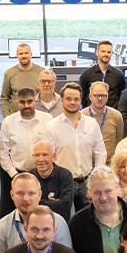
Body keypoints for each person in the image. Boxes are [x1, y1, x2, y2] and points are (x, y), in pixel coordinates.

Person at [0, 173, 73, 253]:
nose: (26, 198)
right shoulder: (2, 227)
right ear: (12, 195)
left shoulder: (58, 222)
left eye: (31, 193)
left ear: (39, 194)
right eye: (20, 193)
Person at [48, 82, 106, 212]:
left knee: (88, 217)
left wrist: (95, 178)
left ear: (81, 100)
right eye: (68, 99)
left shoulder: (91, 124)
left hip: (86, 181)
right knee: (62, 218)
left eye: (76, 99)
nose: (73, 102)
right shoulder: (51, 126)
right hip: (62, 183)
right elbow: (49, 158)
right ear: (61, 100)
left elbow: (100, 152)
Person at [0, 86, 52, 218]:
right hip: (18, 173)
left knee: (43, 215)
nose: (26, 105)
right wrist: (15, 175)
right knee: (21, 214)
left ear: (35, 101)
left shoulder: (47, 119)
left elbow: (53, 147)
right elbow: (3, 155)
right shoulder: (8, 122)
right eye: (22, 102)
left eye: (29, 101)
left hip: (43, 175)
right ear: (17, 102)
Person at [29, 138, 76, 220]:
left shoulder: (65, 175)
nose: (40, 159)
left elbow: (65, 206)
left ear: (54, 157)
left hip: (59, 223)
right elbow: (25, 205)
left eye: (45, 155)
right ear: (33, 157)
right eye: (37, 155)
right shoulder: (29, 177)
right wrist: (54, 203)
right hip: (34, 223)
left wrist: (36, 202)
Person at [0, 43, 45, 117]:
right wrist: (7, 117)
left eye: (26, 53)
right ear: (17, 56)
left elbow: (48, 95)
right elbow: (4, 98)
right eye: (21, 53)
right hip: (16, 117)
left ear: (31, 54)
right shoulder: (9, 73)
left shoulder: (41, 72)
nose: (24, 56)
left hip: (38, 117)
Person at [79, 39, 125, 108]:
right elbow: (83, 97)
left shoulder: (119, 75)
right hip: (92, 113)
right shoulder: (86, 75)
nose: (106, 54)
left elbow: (121, 97)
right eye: (103, 51)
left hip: (112, 113)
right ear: (97, 52)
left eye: (109, 52)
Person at [88, 80, 125, 161]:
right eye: (96, 95)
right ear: (90, 96)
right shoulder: (81, 115)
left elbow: (119, 141)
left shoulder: (116, 116)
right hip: (87, 164)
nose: (100, 98)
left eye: (103, 95)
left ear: (107, 97)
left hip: (109, 164)